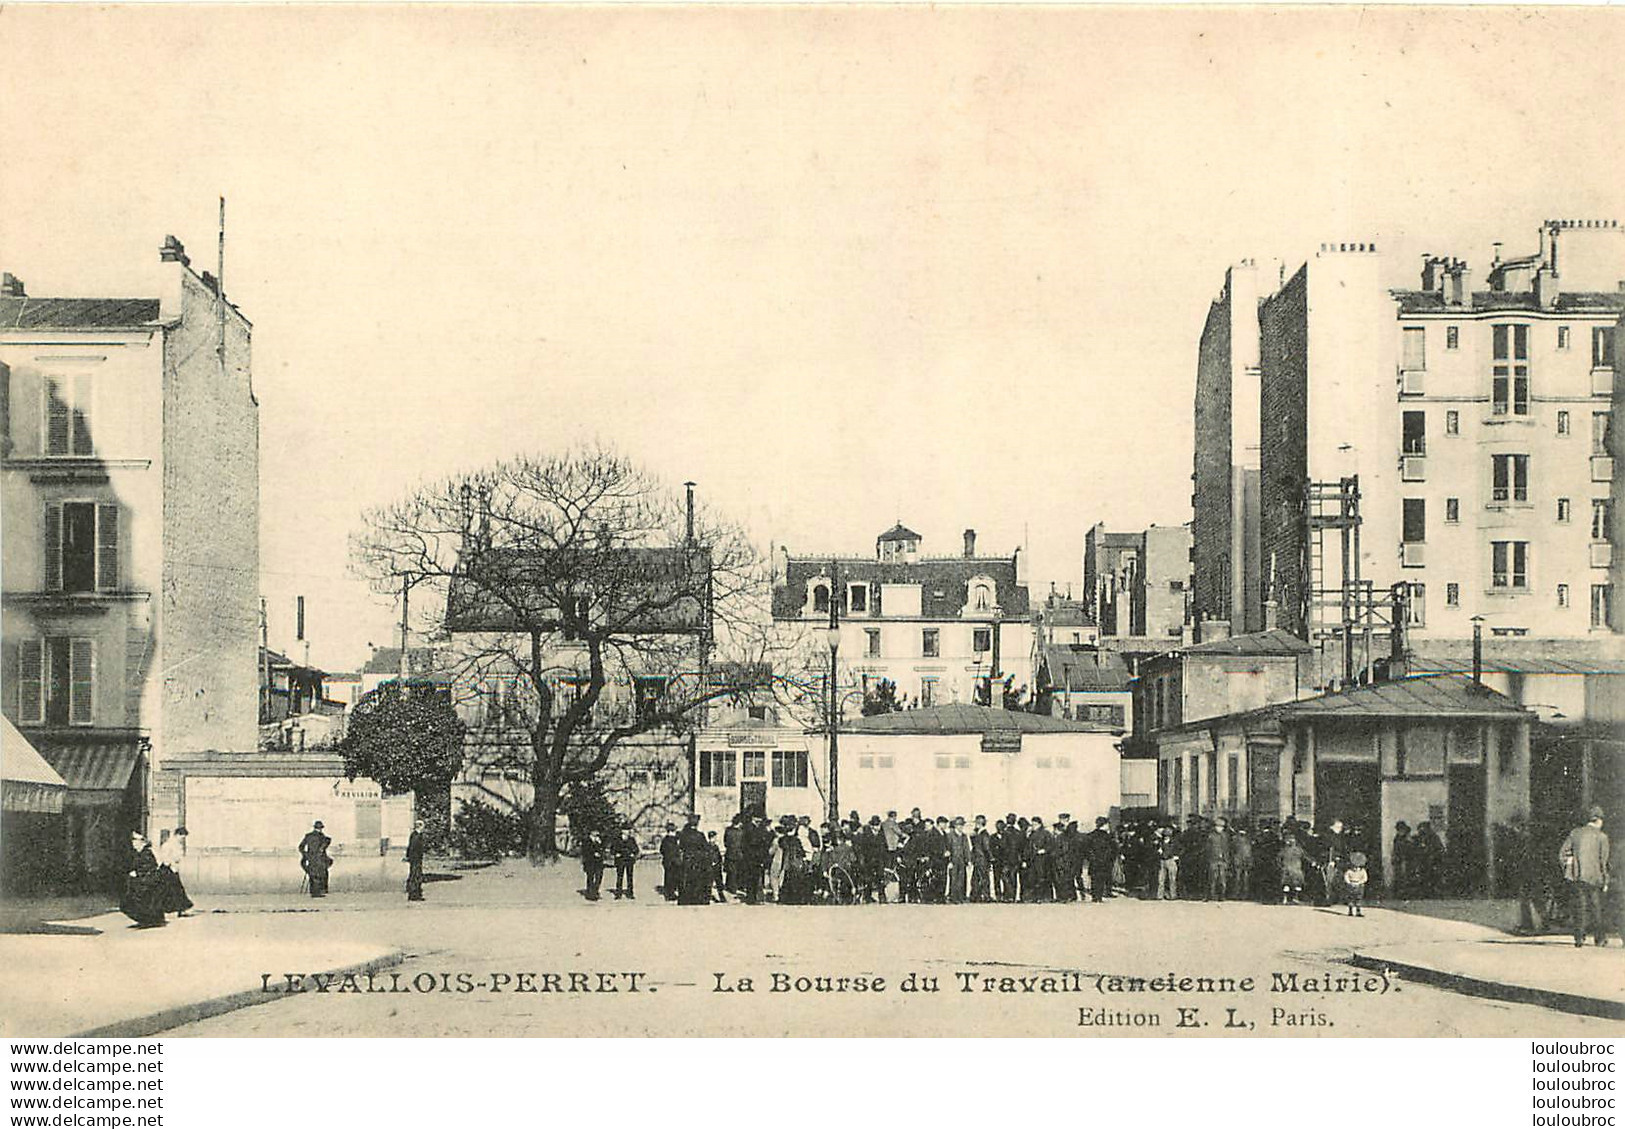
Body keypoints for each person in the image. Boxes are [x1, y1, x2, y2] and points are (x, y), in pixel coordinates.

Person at [1558, 807, 1611, 947]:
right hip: (1595, 877)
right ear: (1598, 820)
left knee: (1579, 906)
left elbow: (1562, 853)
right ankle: (1599, 939)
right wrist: (1605, 880)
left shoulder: (1575, 833)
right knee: (1596, 908)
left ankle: (1579, 938)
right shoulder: (1602, 837)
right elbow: (1603, 861)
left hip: (1577, 876)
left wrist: (1569, 868)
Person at [120, 831, 167, 927]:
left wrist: (137, 873)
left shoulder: (146, 853)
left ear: (142, 843)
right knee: (140, 902)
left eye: (135, 842)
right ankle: (147, 920)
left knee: (139, 901)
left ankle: (148, 920)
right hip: (142, 882)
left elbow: (150, 867)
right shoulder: (140, 853)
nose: (134, 844)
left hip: (147, 882)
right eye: (133, 842)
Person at [155, 827, 194, 917]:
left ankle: (179, 908)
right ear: (177, 835)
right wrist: (171, 864)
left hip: (173, 868)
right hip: (167, 869)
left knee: (176, 889)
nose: (182, 839)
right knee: (169, 889)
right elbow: (164, 857)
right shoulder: (168, 844)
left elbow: (179, 856)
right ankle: (169, 909)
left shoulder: (177, 845)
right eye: (181, 837)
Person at [677, 814, 712, 905]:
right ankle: (697, 898)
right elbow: (706, 848)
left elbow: (681, 846)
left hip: (687, 859)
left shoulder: (683, 835)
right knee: (697, 880)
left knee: (687, 880)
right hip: (698, 860)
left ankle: (686, 898)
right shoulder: (700, 835)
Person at [1086, 817, 1118, 903]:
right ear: (1104, 825)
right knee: (1101, 879)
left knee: (1094, 879)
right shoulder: (1108, 837)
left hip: (1094, 862)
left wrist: (1091, 858)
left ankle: (1094, 897)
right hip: (1105, 862)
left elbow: (1086, 849)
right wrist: (1111, 859)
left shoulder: (1090, 835)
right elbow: (1114, 849)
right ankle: (1099, 897)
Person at [299, 821, 332, 898]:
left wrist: (306, 855)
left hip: (311, 859)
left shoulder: (308, 836)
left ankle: (314, 892)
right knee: (321, 874)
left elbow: (301, 847)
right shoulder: (322, 837)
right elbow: (327, 842)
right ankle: (320, 891)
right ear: (320, 828)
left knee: (313, 874)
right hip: (320, 859)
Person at [1205, 817, 1231, 901]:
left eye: (1221, 826)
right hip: (1213, 860)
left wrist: (1227, 860)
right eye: (1217, 826)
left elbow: (1227, 849)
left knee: (1222, 880)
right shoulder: (1211, 836)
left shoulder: (1225, 836)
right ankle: (1212, 895)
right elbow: (1208, 849)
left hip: (1223, 860)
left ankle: (1222, 895)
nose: (1219, 828)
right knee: (1212, 879)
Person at [947, 818, 971, 904]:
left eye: (962, 825)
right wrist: (949, 861)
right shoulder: (950, 836)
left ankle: (961, 897)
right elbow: (948, 849)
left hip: (962, 861)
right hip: (953, 861)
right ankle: (953, 897)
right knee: (954, 879)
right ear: (955, 826)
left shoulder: (964, 836)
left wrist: (968, 860)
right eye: (959, 825)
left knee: (962, 879)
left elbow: (966, 848)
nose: (960, 827)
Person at [1278, 832, 1307, 904]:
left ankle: (1286, 898)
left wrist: (1280, 866)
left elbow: (1278, 859)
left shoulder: (1284, 850)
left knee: (1287, 884)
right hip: (1295, 869)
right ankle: (1294, 898)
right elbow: (1305, 857)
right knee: (1296, 884)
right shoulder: (1298, 850)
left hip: (1287, 868)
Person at [970, 815, 993, 903]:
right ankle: (978, 896)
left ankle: (983, 896)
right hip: (979, 860)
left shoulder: (983, 834)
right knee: (978, 878)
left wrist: (990, 859)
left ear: (979, 823)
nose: (975, 825)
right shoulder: (978, 834)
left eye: (976, 823)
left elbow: (986, 848)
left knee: (982, 878)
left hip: (981, 860)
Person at [612, 826, 640, 899]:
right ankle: (618, 893)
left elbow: (636, 849)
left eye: (627, 831)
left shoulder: (631, 840)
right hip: (620, 860)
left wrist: (633, 853)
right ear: (621, 831)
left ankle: (630, 893)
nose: (626, 832)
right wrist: (616, 854)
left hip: (629, 860)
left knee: (629, 877)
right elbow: (612, 849)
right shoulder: (617, 840)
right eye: (625, 830)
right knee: (619, 877)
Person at [404, 819, 427, 902]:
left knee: (415, 875)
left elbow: (410, 847)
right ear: (420, 826)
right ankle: (414, 894)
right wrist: (412, 857)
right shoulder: (417, 836)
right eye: (423, 826)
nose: (424, 828)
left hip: (415, 859)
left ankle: (415, 893)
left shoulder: (415, 835)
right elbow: (413, 848)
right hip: (416, 859)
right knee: (416, 875)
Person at [580, 829, 606, 901]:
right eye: (595, 834)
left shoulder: (599, 841)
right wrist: (593, 854)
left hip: (599, 863)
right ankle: (590, 894)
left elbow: (603, 850)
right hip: (590, 862)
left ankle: (595, 891)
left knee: (598, 877)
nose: (597, 835)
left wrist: (600, 844)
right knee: (590, 878)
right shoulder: (586, 841)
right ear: (591, 834)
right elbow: (585, 852)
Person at [1230, 823, 1254, 901]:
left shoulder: (1235, 839)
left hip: (1239, 860)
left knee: (1239, 878)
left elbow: (1232, 851)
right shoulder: (1248, 840)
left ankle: (1238, 894)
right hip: (1243, 860)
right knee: (1243, 878)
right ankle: (1243, 894)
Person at [659, 822, 681, 901]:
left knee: (668, 878)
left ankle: (669, 893)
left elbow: (661, 850)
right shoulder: (675, 840)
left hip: (668, 862)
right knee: (674, 878)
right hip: (674, 862)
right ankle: (671, 894)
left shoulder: (665, 840)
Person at [1390, 821, 1413, 898]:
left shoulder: (1406, 838)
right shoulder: (1398, 838)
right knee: (1399, 876)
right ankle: (1399, 893)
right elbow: (1396, 849)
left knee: (1404, 876)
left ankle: (1404, 893)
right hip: (1399, 860)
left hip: (1405, 859)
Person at [1343, 851, 1369, 917]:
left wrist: (1360, 882)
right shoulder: (1349, 871)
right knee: (1351, 898)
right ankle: (1350, 911)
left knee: (1358, 899)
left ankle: (1358, 911)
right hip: (1351, 884)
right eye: (1354, 866)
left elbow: (1365, 878)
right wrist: (1349, 883)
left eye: (1357, 867)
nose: (1355, 868)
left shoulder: (1363, 871)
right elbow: (1346, 877)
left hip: (1359, 885)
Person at [723, 814, 744, 893]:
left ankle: (730, 886)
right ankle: (735, 887)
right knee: (737, 871)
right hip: (739, 853)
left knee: (730, 871)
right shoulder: (741, 832)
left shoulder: (728, 830)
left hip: (729, 852)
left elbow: (725, 842)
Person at [706, 830, 728, 903]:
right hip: (710, 868)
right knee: (709, 883)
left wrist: (719, 863)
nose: (715, 839)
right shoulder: (707, 846)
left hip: (717, 867)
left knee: (719, 883)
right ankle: (707, 897)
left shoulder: (715, 846)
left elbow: (719, 857)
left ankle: (722, 898)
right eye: (715, 837)